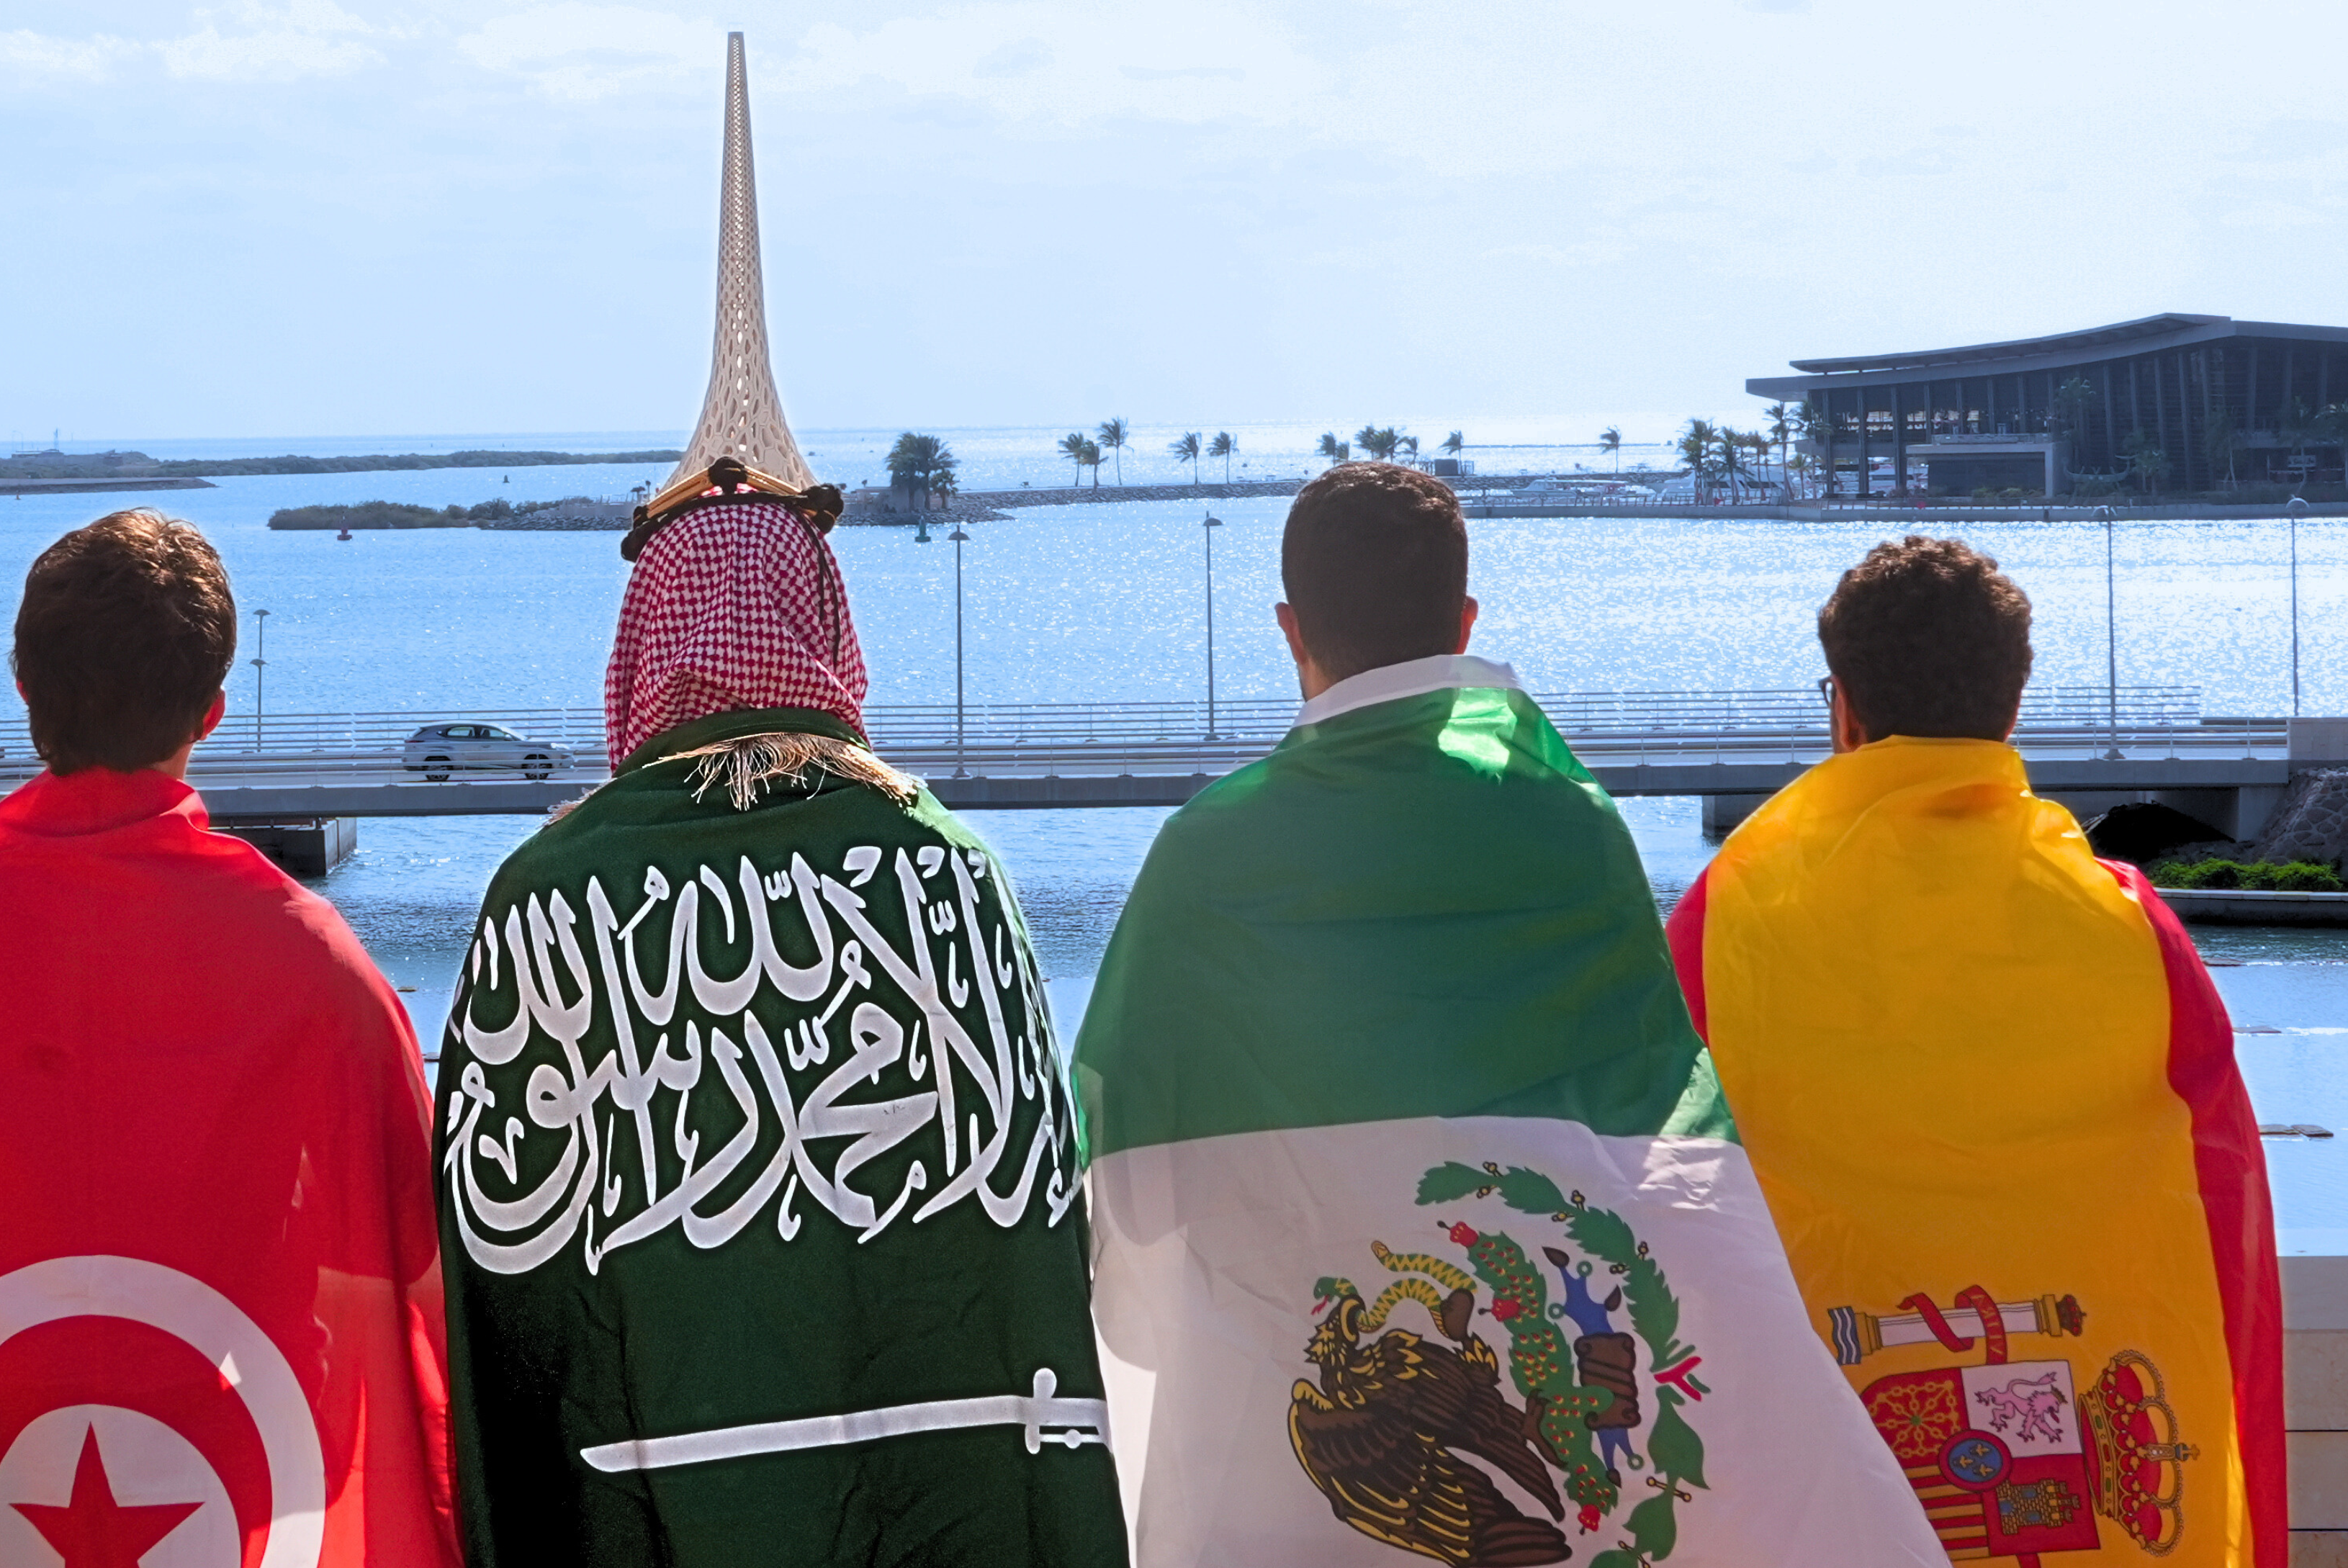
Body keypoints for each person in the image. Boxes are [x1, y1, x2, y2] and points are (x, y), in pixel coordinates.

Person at [1073, 464, 1945, 1566]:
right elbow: (1664, 1132)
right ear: (1466, 620)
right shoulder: (1565, 819)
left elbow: (1124, 1163)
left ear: (1289, 627)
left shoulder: (1209, 852)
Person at [0, 509, 457, 1567]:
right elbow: (412, 1273)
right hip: (245, 1495)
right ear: (210, 709)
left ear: (25, 694)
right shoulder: (318, 964)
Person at [433, 472, 1127, 1567]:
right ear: (828, 633)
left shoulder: (548, 895)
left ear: (641, 646)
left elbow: (505, 1279)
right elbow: (1035, 1204)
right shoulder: (949, 871)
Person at [1670, 536, 2283, 1562]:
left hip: (1832, 1479)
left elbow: (1661, 1182)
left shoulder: (1731, 913)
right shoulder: (2126, 925)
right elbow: (2221, 1198)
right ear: (2013, 704)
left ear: (1845, 709)